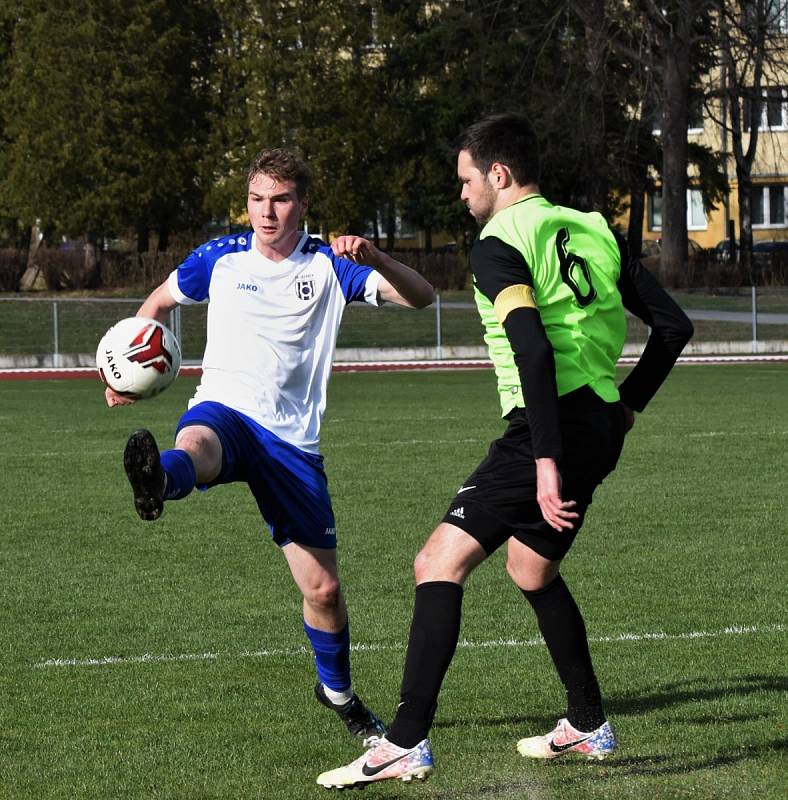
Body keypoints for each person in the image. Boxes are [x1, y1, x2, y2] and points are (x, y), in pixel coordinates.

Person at [316, 113, 693, 788]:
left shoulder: (497, 244)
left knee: (437, 562)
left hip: (547, 426)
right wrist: (627, 404)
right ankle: (587, 723)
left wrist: (545, 460)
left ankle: (403, 741)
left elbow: (535, 349)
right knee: (529, 568)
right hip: (598, 422)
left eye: (466, 180)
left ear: (499, 174)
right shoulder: (594, 227)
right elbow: (674, 325)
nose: (461, 196)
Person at [106, 147, 434, 744]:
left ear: (302, 205)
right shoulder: (220, 258)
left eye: (280, 199)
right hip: (225, 409)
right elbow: (156, 304)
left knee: (324, 591)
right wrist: (124, 370)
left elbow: (423, 297)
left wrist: (376, 253)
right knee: (198, 443)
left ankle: (336, 692)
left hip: (292, 443)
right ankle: (158, 482)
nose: (266, 211)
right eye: (257, 199)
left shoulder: (332, 266)